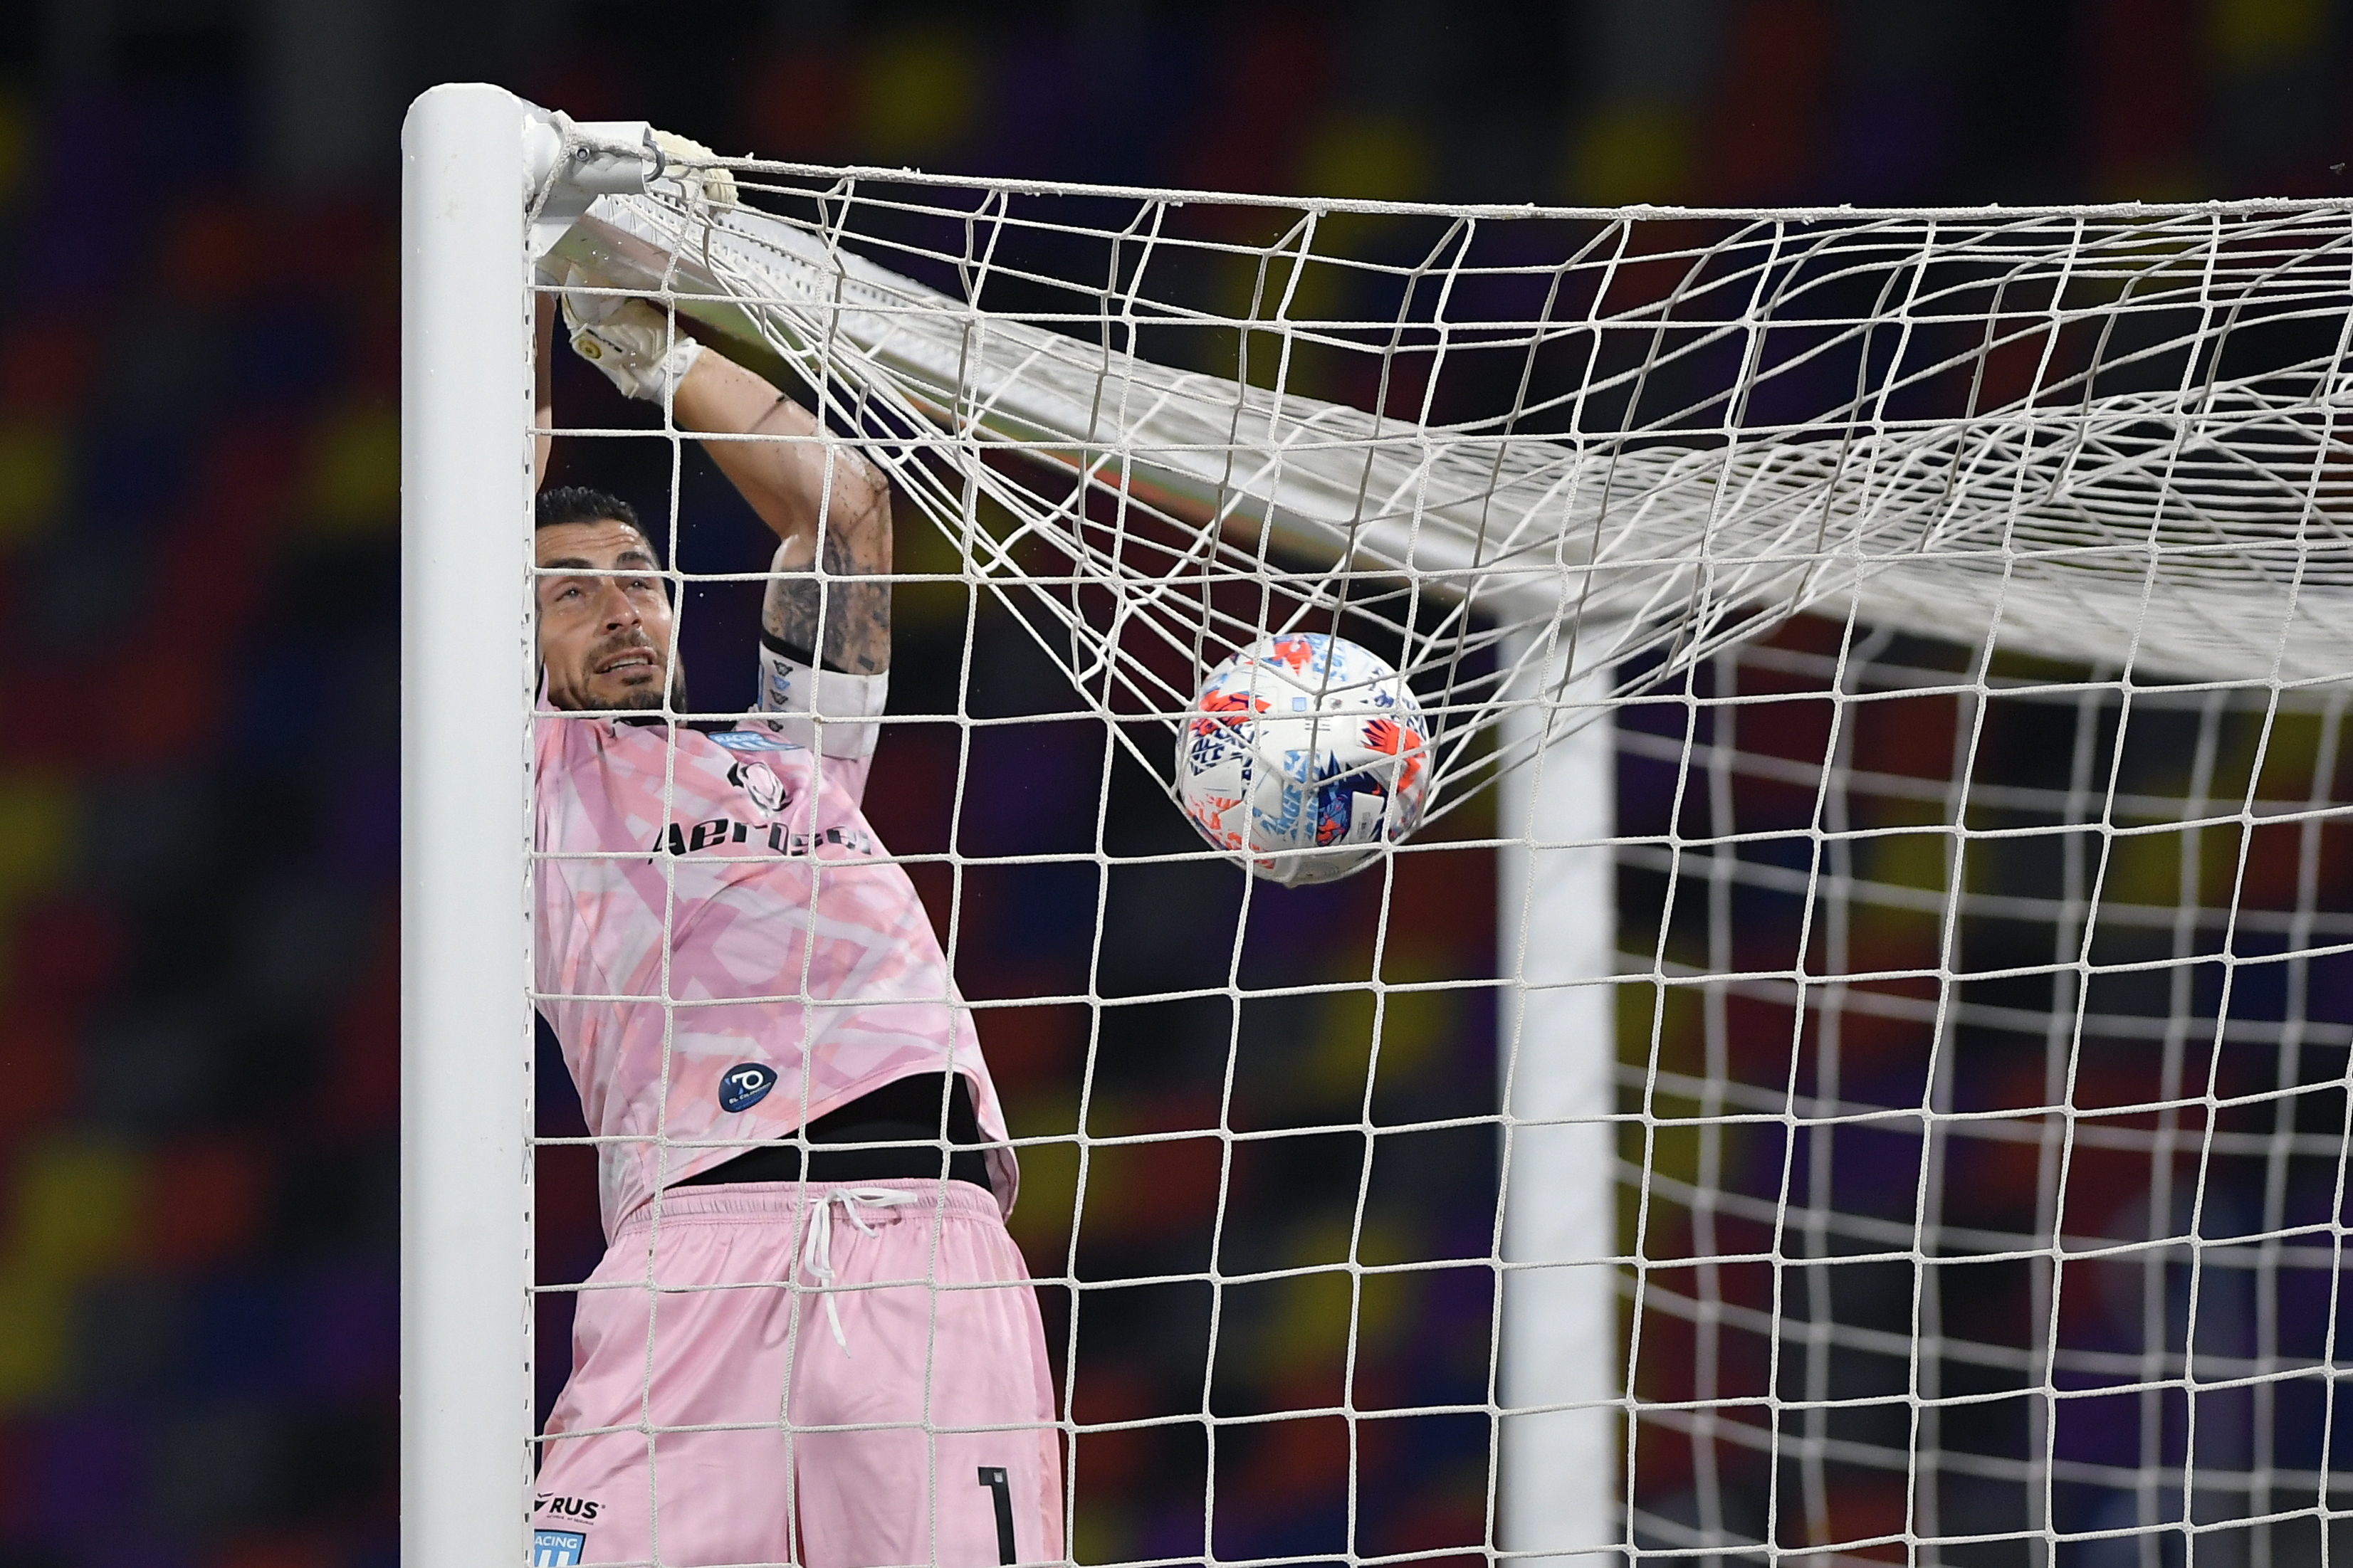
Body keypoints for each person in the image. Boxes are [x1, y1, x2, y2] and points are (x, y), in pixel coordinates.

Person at [526, 277, 1061, 1568]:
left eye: (637, 580)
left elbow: (847, 509)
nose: (619, 608)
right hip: (696, 1256)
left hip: (924, 1245)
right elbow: (486, 479)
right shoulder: (533, 778)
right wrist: (529, 263)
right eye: (568, 592)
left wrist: (640, 341)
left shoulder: (798, 750)